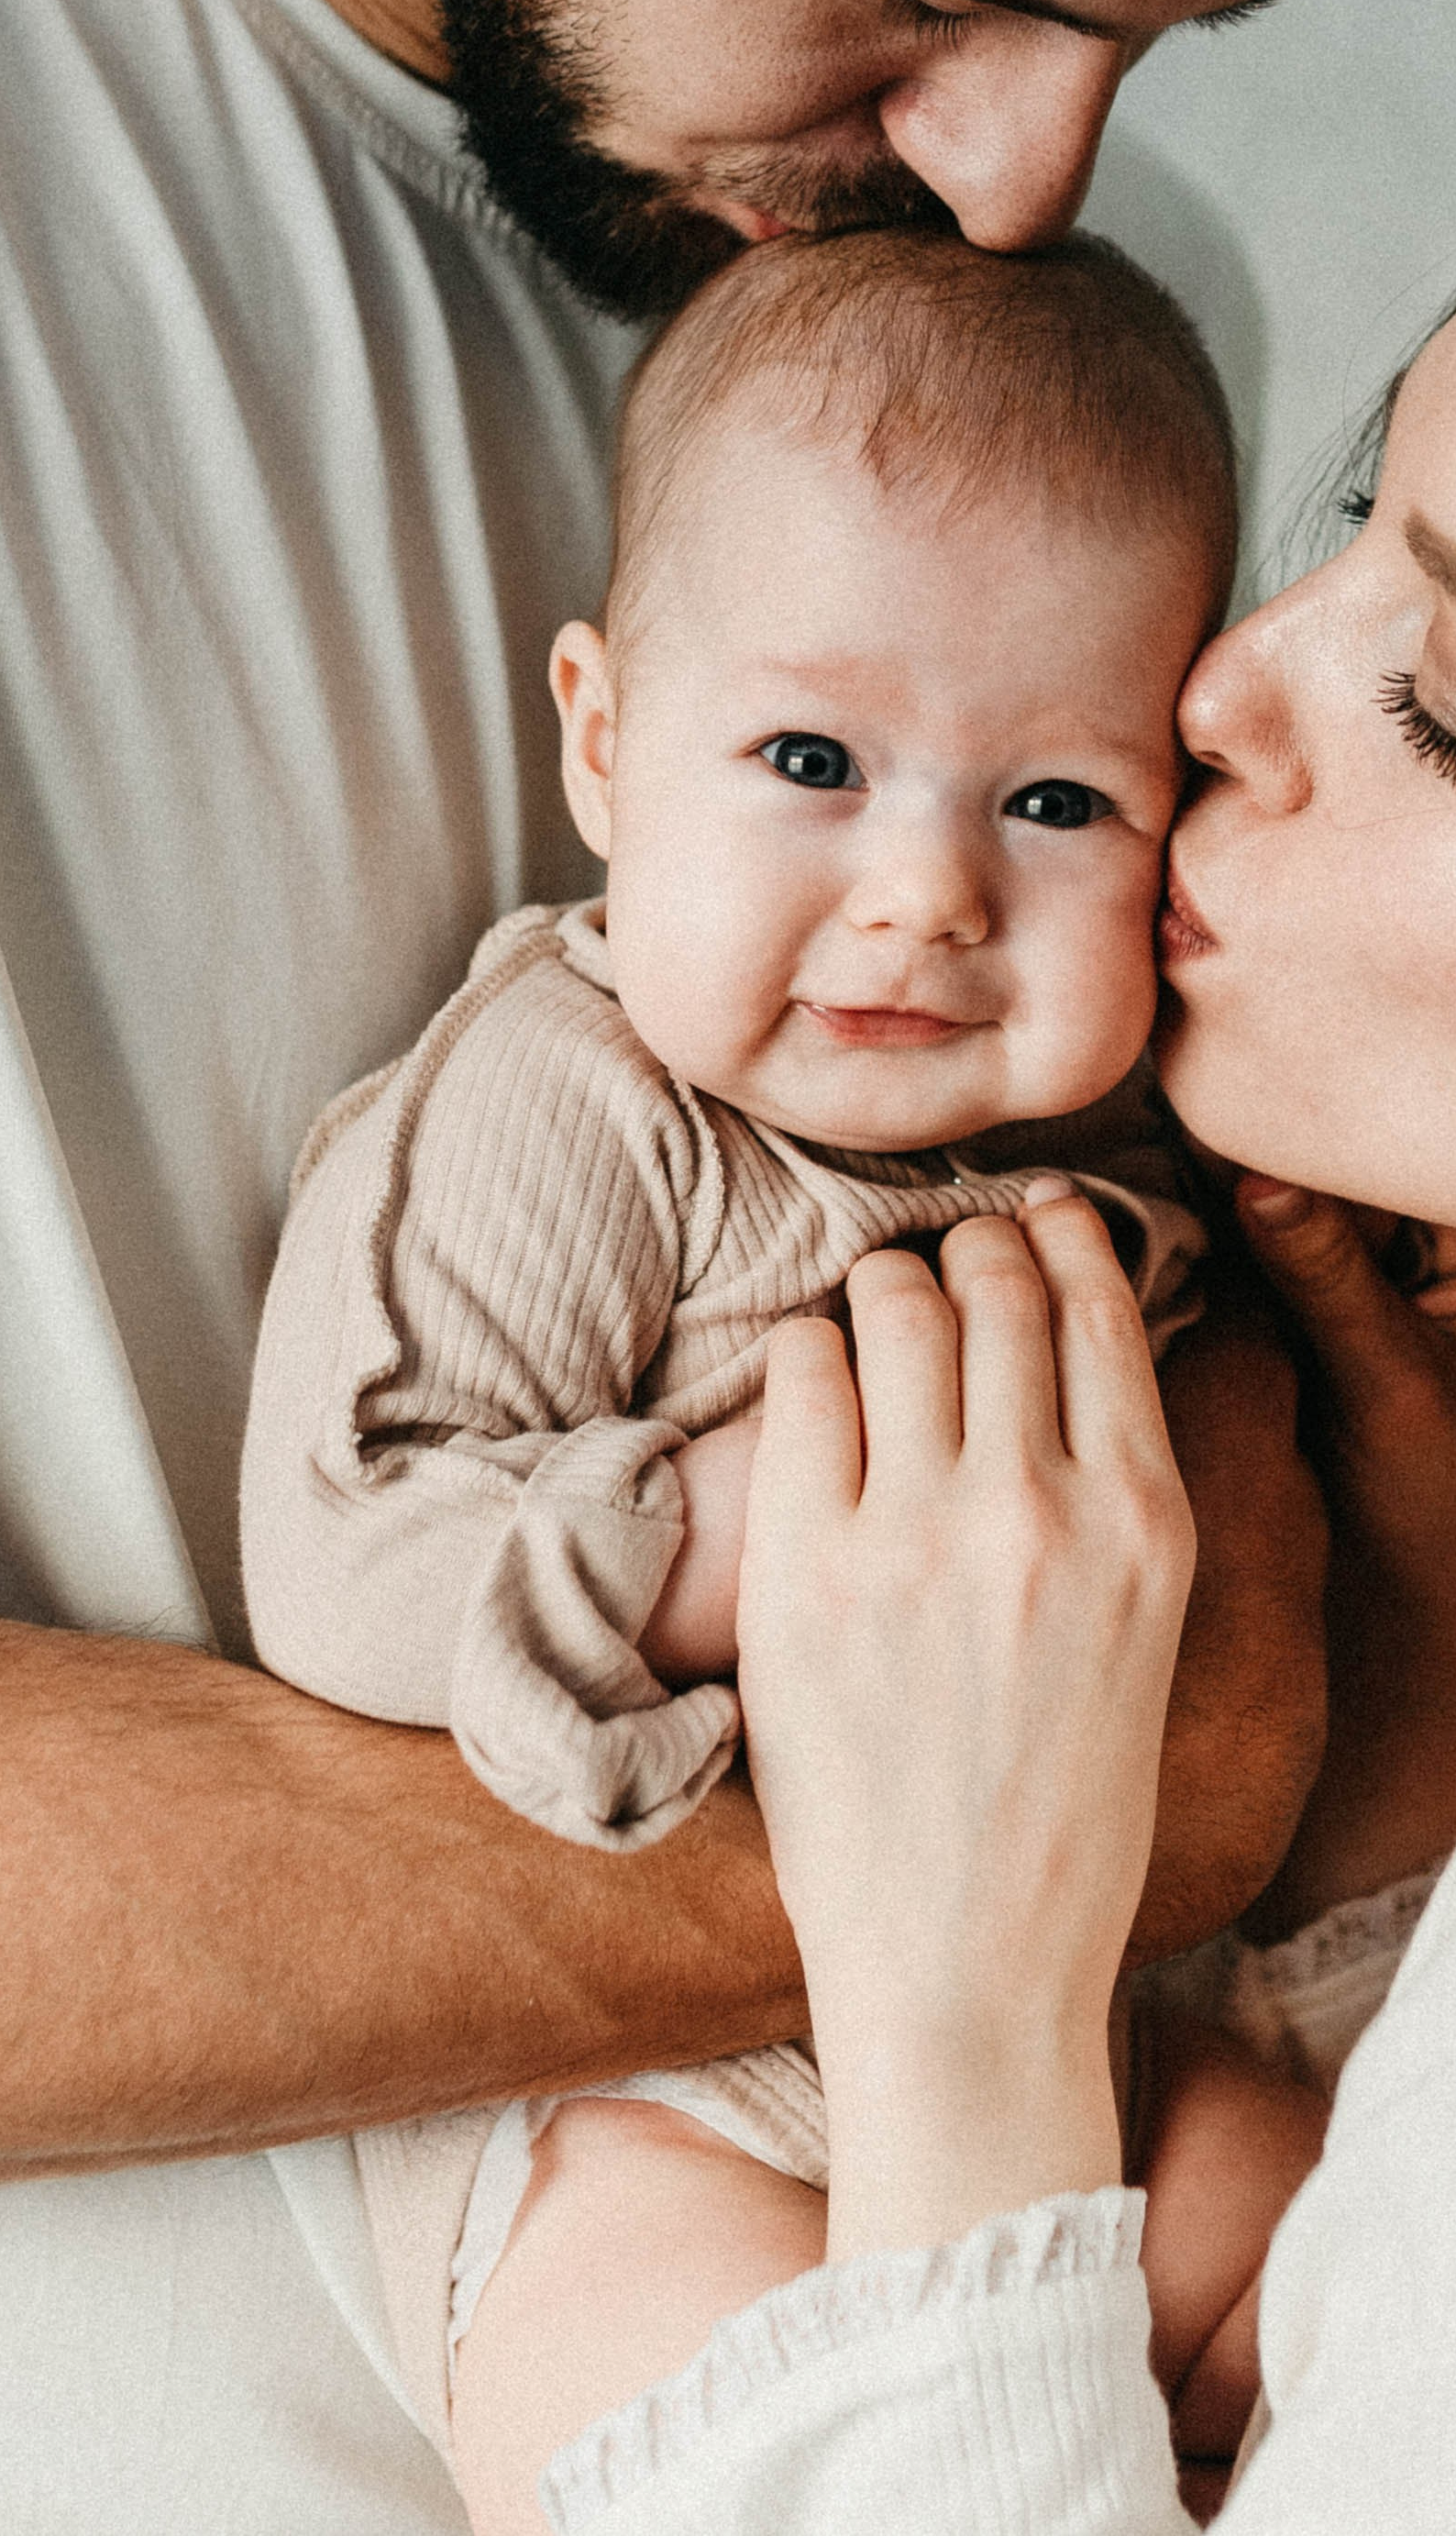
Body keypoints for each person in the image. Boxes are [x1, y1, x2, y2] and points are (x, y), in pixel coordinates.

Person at [0, 0, 1456, 2520]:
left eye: (1162, 26)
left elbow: (1223, 1560)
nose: (1029, 176)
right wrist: (993, 1829)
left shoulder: (1037, 373)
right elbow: (1169, 1733)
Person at [527, 88, 1456, 2533]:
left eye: (1448, 708)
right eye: (1345, 535)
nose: (1220, 688)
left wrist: (974, 2047)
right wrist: (1428, 1718)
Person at [238, 227, 1334, 2514]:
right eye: (813, 758)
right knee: (714, 2379)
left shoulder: (1116, 1135)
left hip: (1086, 2023)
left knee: (1354, 2228)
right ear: (610, 745)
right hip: (651, 2080)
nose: (926, 889)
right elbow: (349, 1554)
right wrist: (748, 1546)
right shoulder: (580, 1101)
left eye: (1056, 801)